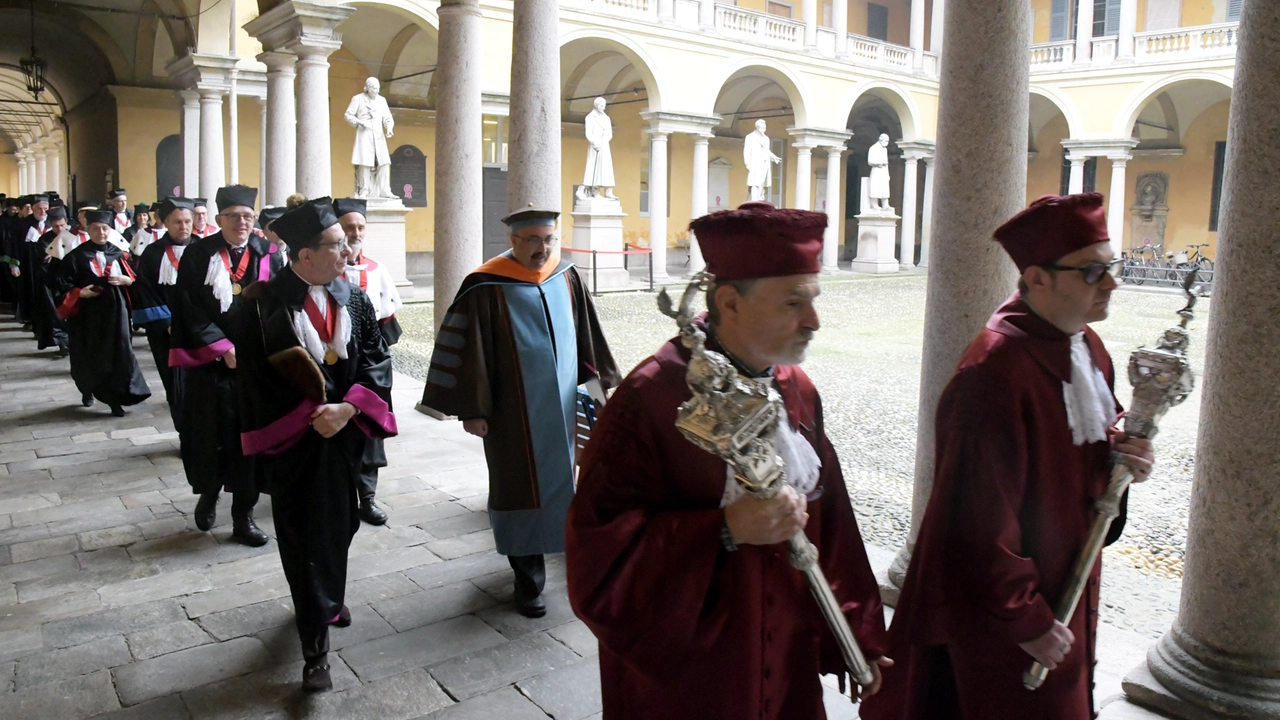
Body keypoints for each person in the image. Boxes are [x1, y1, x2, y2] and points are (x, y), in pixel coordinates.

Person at [565, 201, 890, 719]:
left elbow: (835, 527)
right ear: (730, 302)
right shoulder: (650, 398)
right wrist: (723, 529)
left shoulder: (798, 392)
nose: (814, 321)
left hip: (786, 669)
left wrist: (857, 632)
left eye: (813, 300)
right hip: (694, 679)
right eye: (792, 303)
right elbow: (597, 557)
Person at [859, 193, 1157, 720]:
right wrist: (1027, 620)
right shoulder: (993, 374)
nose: (1111, 284)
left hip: (1065, 585)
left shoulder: (1087, 347)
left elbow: (1078, 452)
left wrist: (1124, 461)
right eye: (1092, 272)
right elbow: (977, 517)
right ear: (1038, 278)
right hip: (1000, 617)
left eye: (1111, 268)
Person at [419, 205, 619, 618]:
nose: (543, 249)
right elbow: (468, 351)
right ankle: (528, 580)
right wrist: (472, 410)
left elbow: (587, 337)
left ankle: (568, 557)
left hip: (561, 409)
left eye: (549, 239)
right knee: (518, 489)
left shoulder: (566, 276)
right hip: (511, 415)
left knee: (565, 484)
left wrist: (599, 385)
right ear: (513, 241)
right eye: (533, 240)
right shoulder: (484, 285)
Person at [235, 197, 396, 692]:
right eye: (335, 245)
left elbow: (376, 359)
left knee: (342, 521)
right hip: (294, 442)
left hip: (343, 435)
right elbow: (253, 382)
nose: (347, 252)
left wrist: (348, 408)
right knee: (304, 535)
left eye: (345, 244)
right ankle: (315, 644)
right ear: (303, 255)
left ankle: (325, 592)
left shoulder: (354, 297)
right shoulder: (260, 304)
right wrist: (311, 416)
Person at [169, 185, 286, 547]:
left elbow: (279, 307)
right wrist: (222, 348)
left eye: (248, 216)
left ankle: (243, 516)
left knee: (250, 439)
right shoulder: (198, 254)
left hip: (254, 367)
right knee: (209, 435)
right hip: (210, 366)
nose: (241, 222)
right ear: (219, 219)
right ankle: (208, 492)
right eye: (234, 216)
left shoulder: (268, 253)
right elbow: (187, 307)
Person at [334, 197, 402, 525]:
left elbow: (389, 319)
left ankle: (368, 496)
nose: (356, 232)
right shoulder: (326, 270)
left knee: (369, 429)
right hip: (337, 363)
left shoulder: (377, 270)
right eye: (349, 227)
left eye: (360, 226)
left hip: (370, 362)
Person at [53, 209, 151, 417]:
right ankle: (88, 390)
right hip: (88, 316)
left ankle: (116, 399)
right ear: (88, 230)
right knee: (90, 354)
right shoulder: (76, 257)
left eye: (105, 228)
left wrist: (128, 281)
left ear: (111, 230)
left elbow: (137, 279)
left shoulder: (120, 254)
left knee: (120, 352)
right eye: (96, 228)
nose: (101, 233)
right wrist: (80, 292)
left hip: (117, 313)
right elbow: (60, 284)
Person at [132, 197, 197, 424]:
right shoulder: (152, 253)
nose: (184, 227)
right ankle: (183, 430)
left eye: (188, 221)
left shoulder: (204, 249)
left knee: (200, 384)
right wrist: (167, 323)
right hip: (165, 331)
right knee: (174, 384)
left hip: (200, 330)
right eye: (178, 222)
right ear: (166, 222)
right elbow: (145, 291)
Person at [29, 206, 72, 357]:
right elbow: (44, 261)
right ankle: (62, 344)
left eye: (62, 225)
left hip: (70, 281)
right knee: (55, 313)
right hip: (52, 282)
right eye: (55, 226)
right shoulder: (44, 240)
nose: (59, 229)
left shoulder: (72, 237)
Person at [343, 77, 395, 199]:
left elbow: (387, 117)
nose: (376, 91)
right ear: (367, 88)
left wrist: (389, 128)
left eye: (378, 89)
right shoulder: (358, 99)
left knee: (384, 161)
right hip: (364, 133)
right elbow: (348, 115)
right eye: (374, 89)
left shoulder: (382, 100)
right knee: (364, 162)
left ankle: (385, 190)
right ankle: (364, 190)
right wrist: (359, 122)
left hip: (378, 134)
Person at [579, 97, 616, 200]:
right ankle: (596, 191)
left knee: (607, 168)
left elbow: (609, 133)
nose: (603, 108)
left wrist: (605, 140)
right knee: (595, 168)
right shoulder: (590, 117)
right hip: (595, 146)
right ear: (596, 105)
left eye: (604, 106)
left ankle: (609, 191)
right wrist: (594, 142)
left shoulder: (607, 118)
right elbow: (588, 133)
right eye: (601, 106)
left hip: (604, 145)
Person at [743, 119, 782, 202]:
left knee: (762, 182)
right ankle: (754, 201)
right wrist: (747, 164)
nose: (764, 130)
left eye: (765, 128)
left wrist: (774, 157)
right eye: (762, 128)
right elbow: (746, 151)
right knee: (754, 182)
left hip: (764, 162)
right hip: (755, 162)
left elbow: (767, 150)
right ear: (757, 127)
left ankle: (760, 198)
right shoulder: (750, 137)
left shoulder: (766, 138)